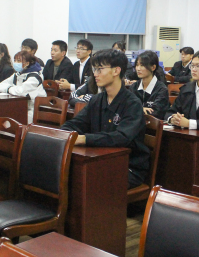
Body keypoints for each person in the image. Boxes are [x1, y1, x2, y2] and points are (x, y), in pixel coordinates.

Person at [61, 49, 150, 188]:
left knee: (86, 180)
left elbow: (122, 137)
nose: (95, 74)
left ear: (116, 71)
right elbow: (76, 123)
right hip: (98, 159)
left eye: (99, 69)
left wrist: (84, 139)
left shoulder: (132, 103)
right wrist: (65, 133)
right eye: (94, 69)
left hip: (127, 166)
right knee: (67, 173)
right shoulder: (97, 100)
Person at [0, 51, 46, 123]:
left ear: (27, 63)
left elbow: (20, 91)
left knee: (13, 120)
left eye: (19, 61)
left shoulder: (35, 77)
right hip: (20, 106)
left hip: (34, 109)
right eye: (15, 60)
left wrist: (8, 88)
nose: (16, 63)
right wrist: (11, 89)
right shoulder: (17, 74)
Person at [129, 50, 169, 120]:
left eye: (142, 65)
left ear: (153, 67)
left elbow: (156, 113)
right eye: (137, 65)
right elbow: (126, 107)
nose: (138, 69)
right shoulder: (134, 87)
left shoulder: (161, 89)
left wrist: (137, 109)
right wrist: (141, 109)